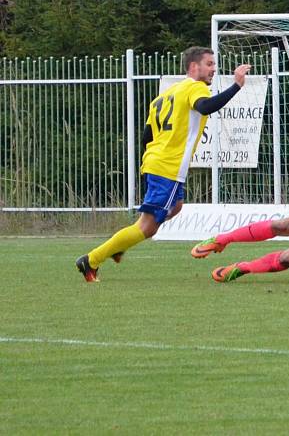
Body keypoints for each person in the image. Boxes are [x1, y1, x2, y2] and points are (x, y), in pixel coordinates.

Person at [76, 47, 252, 282]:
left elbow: (147, 136)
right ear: (193, 67)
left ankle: (120, 245)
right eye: (209, 64)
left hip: (156, 162)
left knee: (176, 206)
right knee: (147, 228)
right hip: (167, 167)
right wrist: (237, 85)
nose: (213, 69)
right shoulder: (195, 88)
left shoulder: (166, 94)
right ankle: (92, 260)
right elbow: (206, 107)